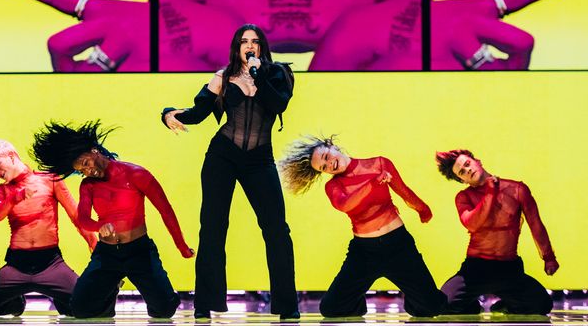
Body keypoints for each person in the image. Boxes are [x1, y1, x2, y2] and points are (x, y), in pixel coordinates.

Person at [162, 24, 299, 320]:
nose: (249, 46)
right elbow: (197, 113)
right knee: (212, 228)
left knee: (276, 230)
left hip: (260, 159)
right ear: (236, 46)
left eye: (255, 42)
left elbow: (278, 103)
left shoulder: (278, 74)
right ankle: (204, 304)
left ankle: (287, 306)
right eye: (244, 42)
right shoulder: (223, 78)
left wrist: (258, 73)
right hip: (222, 156)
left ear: (262, 46)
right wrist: (169, 114)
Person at [30, 120, 194, 318]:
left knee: (164, 310)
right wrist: (99, 226)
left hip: (139, 251)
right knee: (80, 309)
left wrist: (181, 246)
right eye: (81, 171)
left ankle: (161, 293)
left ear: (94, 151)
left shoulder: (136, 174)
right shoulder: (88, 185)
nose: (88, 171)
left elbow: (165, 210)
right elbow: (83, 219)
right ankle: (112, 287)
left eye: (86, 164)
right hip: (106, 255)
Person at [278, 135, 446, 318]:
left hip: (398, 245)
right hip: (364, 252)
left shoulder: (380, 163)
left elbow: (404, 192)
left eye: (326, 157)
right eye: (323, 167)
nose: (329, 165)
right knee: (330, 309)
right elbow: (346, 204)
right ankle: (357, 303)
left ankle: (414, 297)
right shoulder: (333, 187)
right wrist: (373, 183)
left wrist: (423, 209)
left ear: (331, 146)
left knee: (433, 307)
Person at [0, 139, 98, 317]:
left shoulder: (50, 179)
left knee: (89, 306)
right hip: (16, 266)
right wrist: (15, 197)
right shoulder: (3, 191)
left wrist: (95, 245)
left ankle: (61, 297)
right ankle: (15, 303)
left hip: (51, 264)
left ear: (11, 156)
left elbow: (75, 216)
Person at [435, 149, 559, 314]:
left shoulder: (517, 189)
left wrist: (548, 257)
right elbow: (472, 224)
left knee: (542, 305)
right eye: (462, 172)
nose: (468, 170)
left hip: (508, 268)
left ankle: (508, 303)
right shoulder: (463, 197)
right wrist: (490, 192)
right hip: (475, 270)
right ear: (461, 179)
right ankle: (472, 305)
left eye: (467, 164)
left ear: (477, 161)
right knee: (442, 305)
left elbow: (535, 224)